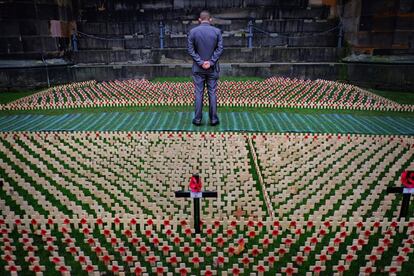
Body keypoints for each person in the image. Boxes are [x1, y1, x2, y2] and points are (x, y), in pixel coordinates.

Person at [187, 10, 224, 126]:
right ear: (210, 19)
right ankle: (213, 119)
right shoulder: (217, 31)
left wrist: (200, 62)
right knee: (212, 93)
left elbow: (190, 50)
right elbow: (220, 49)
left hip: (198, 68)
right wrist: (211, 62)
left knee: (199, 93)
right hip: (212, 69)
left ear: (199, 20)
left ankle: (197, 119)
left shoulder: (193, 32)